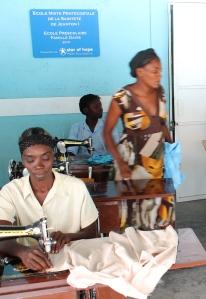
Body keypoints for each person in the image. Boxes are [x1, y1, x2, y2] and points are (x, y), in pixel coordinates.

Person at [0, 127, 99, 271]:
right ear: (23, 161)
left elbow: (93, 233)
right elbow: (2, 234)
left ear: (53, 156)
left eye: (45, 158)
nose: (39, 165)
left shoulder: (76, 187)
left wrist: (69, 237)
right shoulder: (11, 191)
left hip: (73, 267)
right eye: (30, 159)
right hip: (30, 267)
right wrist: (21, 251)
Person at [103, 48, 174, 230]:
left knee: (158, 211)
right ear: (139, 72)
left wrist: (173, 149)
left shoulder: (160, 93)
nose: (159, 75)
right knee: (131, 213)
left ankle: (158, 252)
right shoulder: (122, 97)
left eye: (160, 70)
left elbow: (160, 123)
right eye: (154, 70)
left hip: (154, 152)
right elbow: (107, 132)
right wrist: (120, 163)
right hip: (130, 158)